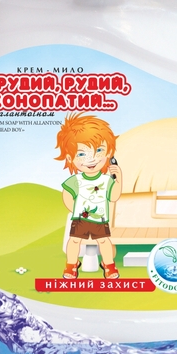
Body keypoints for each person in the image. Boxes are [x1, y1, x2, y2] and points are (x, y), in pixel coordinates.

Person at [55, 113, 122, 279]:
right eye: (82, 154)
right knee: (74, 241)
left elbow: (114, 196)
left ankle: (109, 265)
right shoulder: (76, 180)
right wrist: (75, 210)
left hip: (100, 219)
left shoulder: (106, 180)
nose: (91, 159)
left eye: (99, 151)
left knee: (104, 241)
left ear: (109, 153)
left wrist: (118, 178)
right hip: (80, 219)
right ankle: (71, 265)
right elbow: (67, 195)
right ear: (70, 158)